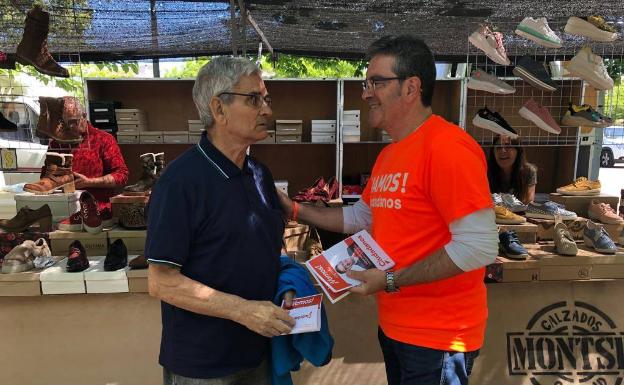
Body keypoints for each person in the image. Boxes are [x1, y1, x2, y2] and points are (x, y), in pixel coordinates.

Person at [279, 35, 498, 385]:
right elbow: (360, 218)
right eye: (367, 83)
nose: (366, 93)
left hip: (440, 338)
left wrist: (392, 280)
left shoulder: (448, 148)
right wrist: (292, 209)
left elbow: (479, 247)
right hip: (398, 328)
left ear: (411, 88)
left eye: (376, 82)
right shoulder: (390, 154)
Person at [145, 57, 295, 385]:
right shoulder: (180, 182)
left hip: (259, 354)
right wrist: (243, 310)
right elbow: (161, 281)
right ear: (219, 108)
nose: (267, 110)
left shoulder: (260, 175)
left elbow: (270, 248)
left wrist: (286, 284)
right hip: (203, 366)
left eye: (266, 99)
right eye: (254, 99)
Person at [46, 96, 129, 210]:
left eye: (72, 122)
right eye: (62, 123)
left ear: (84, 116)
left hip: (96, 209)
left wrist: (89, 182)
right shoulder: (56, 143)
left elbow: (121, 175)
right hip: (63, 207)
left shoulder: (103, 139)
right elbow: (45, 176)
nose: (68, 128)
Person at [487, 134, 537, 204]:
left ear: (518, 151)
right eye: (498, 147)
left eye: (508, 146)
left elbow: (528, 201)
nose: (503, 151)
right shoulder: (484, 170)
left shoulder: (529, 171)